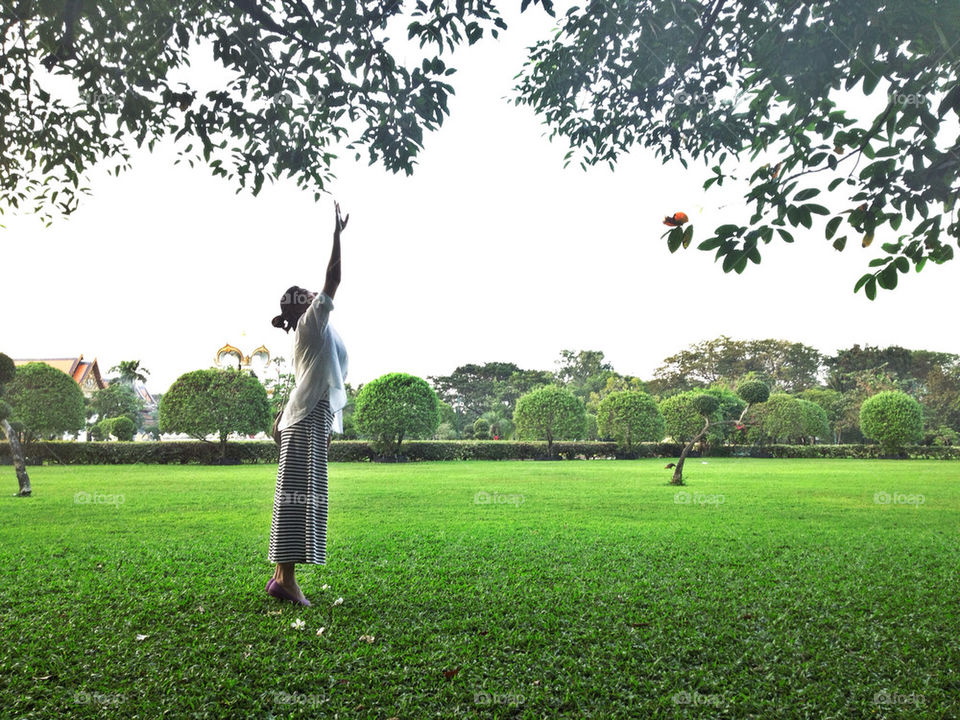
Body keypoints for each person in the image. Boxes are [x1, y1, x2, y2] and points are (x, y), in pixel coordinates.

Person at [265, 203, 349, 606]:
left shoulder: (315, 331)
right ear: (303, 305)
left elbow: (311, 380)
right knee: (298, 497)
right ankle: (286, 581)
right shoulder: (311, 322)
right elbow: (333, 277)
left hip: (309, 417)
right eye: (309, 295)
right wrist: (337, 235)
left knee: (301, 495)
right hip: (304, 421)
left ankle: (282, 577)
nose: (317, 294)